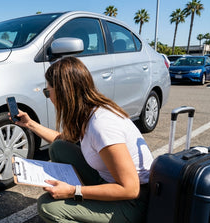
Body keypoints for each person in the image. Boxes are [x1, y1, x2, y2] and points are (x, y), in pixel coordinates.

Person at [11, 57, 153, 223]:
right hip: (109, 181)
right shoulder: (88, 112)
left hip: (132, 203)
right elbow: (60, 138)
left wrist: (74, 191)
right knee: (59, 147)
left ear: (63, 91)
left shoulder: (102, 125)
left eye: (47, 92)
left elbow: (130, 189)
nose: (48, 97)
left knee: (47, 207)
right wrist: (29, 124)